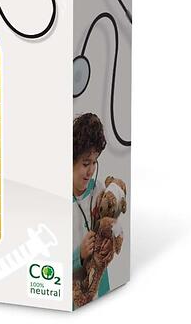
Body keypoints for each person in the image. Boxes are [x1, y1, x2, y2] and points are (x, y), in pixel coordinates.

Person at [72, 112, 110, 299]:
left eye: (94, 162)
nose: (91, 171)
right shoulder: (57, 201)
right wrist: (79, 255)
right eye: (85, 163)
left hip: (102, 290)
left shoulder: (99, 190)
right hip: (74, 294)